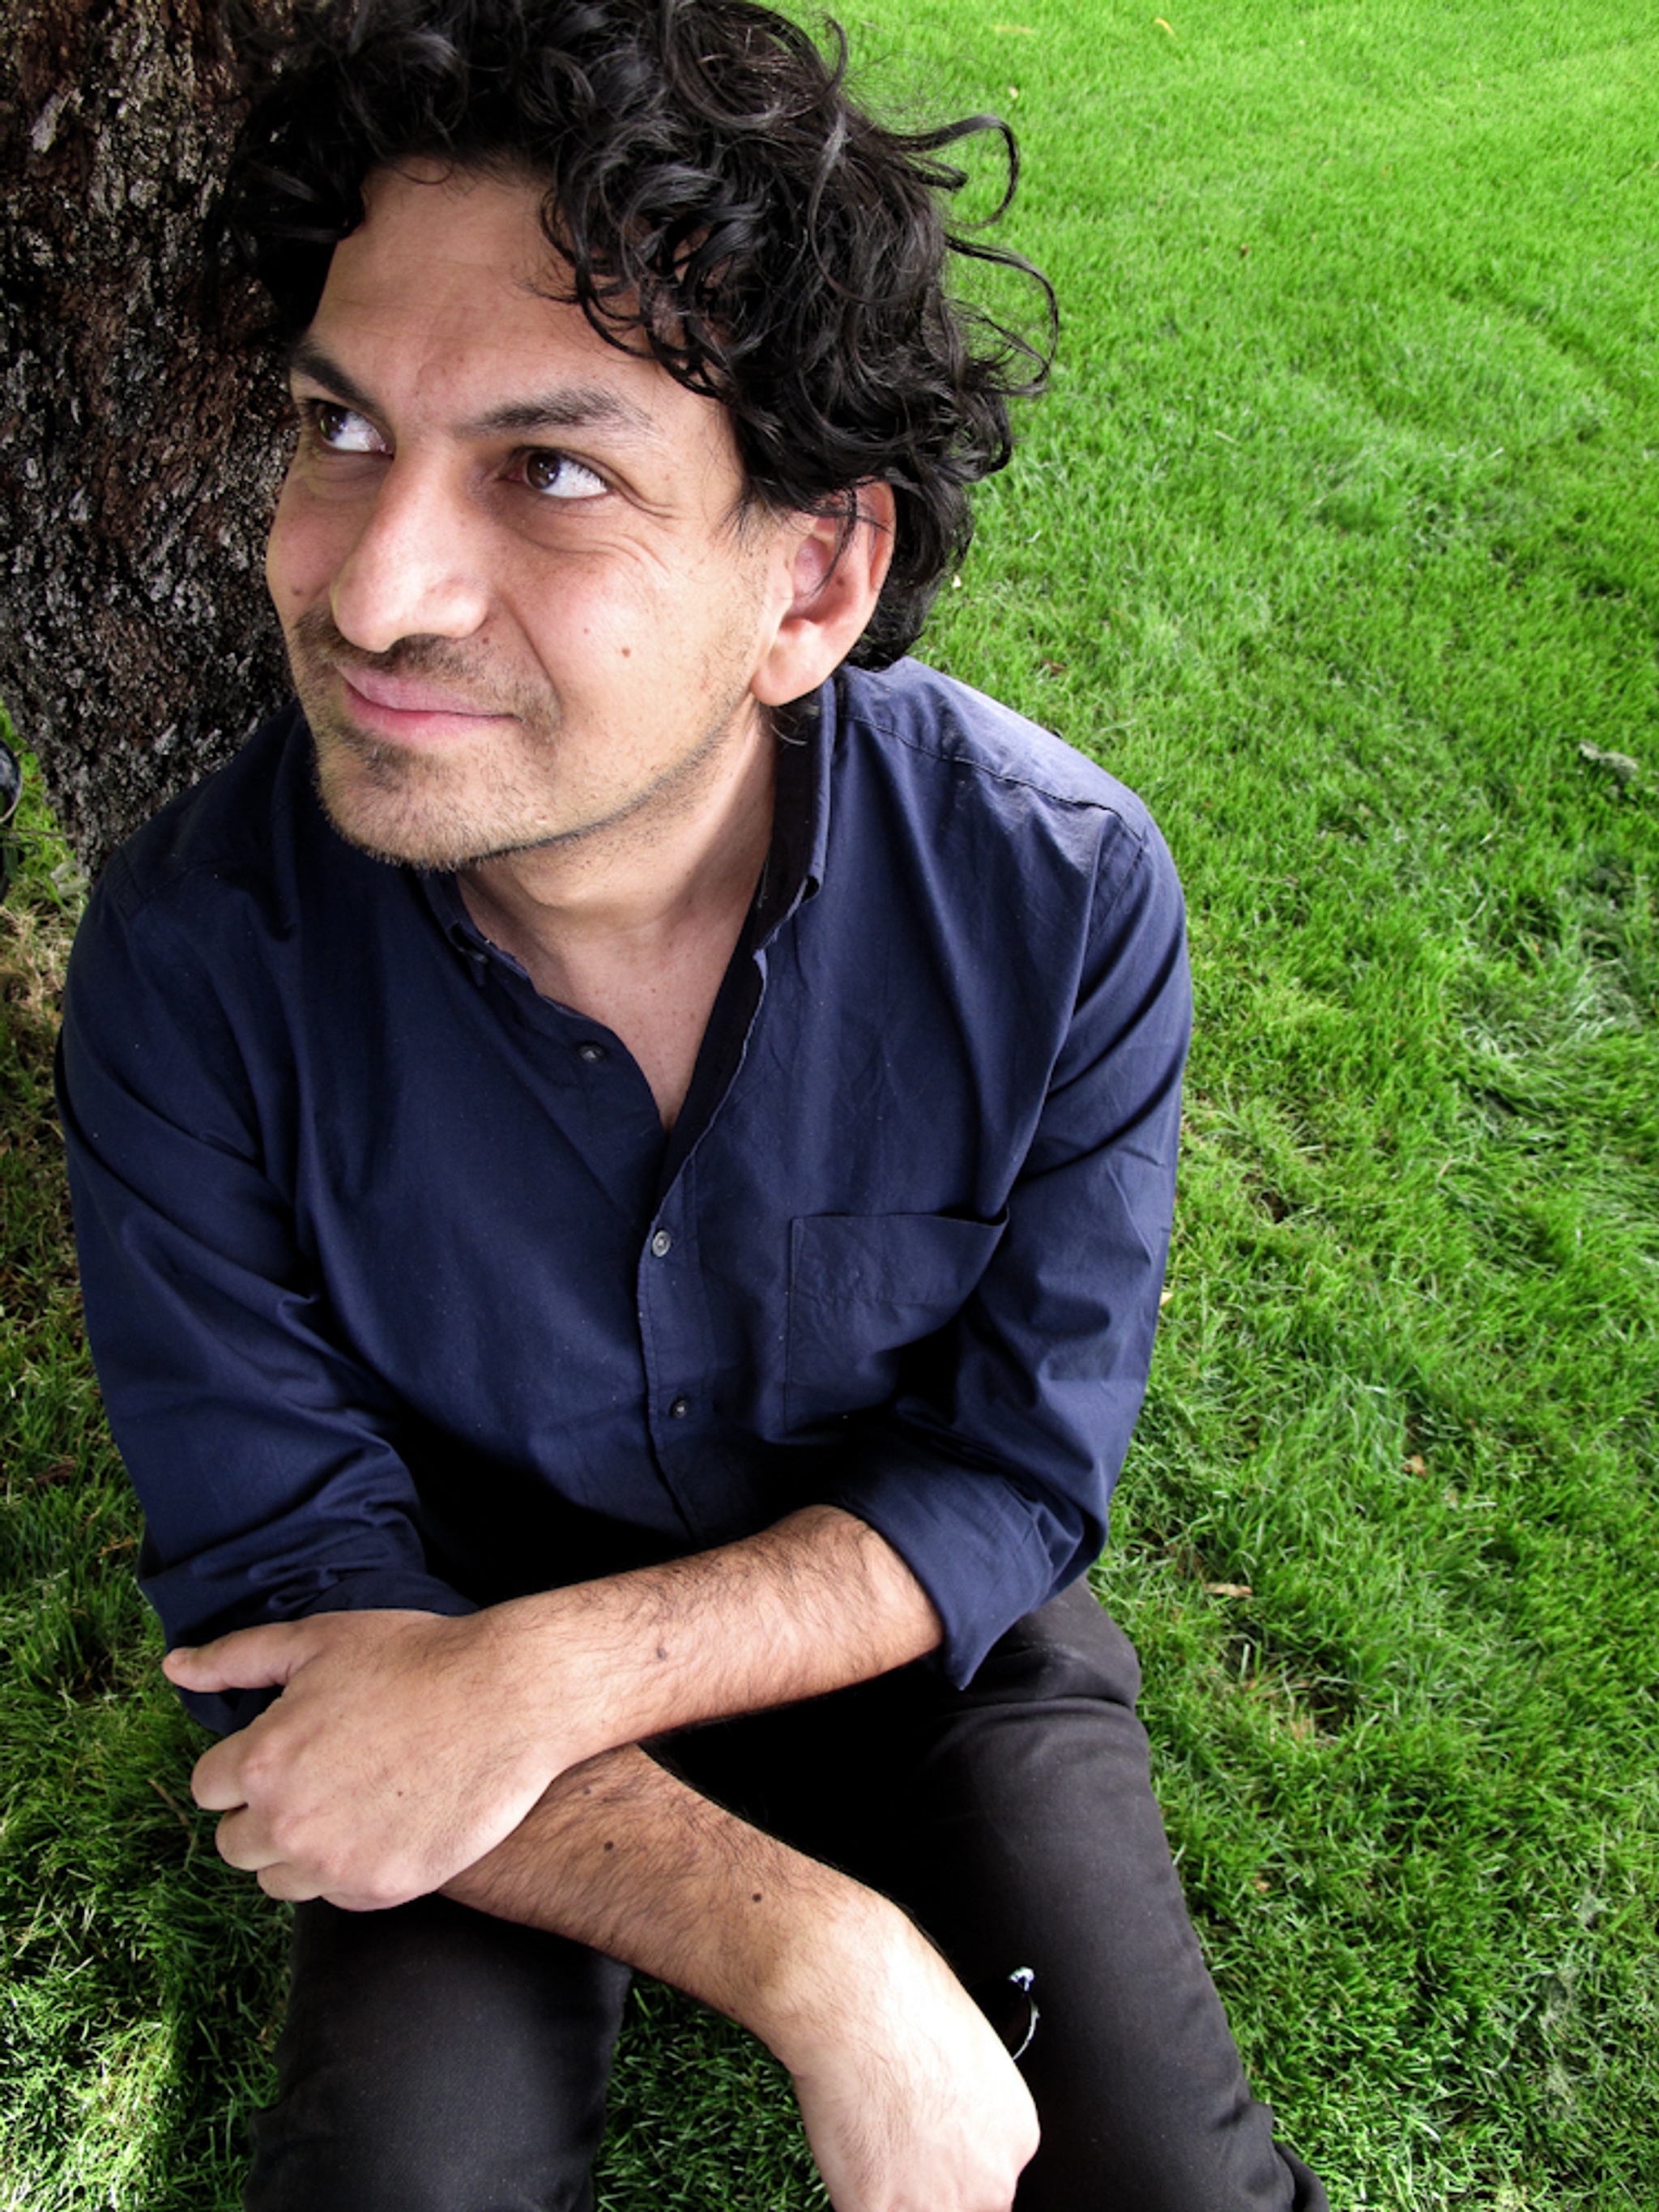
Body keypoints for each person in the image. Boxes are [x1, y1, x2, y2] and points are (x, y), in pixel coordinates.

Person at [58, 3, 1328, 2207]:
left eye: (550, 469)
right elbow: (297, 1600)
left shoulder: (1059, 898)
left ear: (812, 577)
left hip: (901, 1623)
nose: (367, 586)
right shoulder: (192, 961)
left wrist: (559, 1670)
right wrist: (821, 1956)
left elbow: (1015, 1469)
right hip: (427, 1626)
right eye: (337, 427)